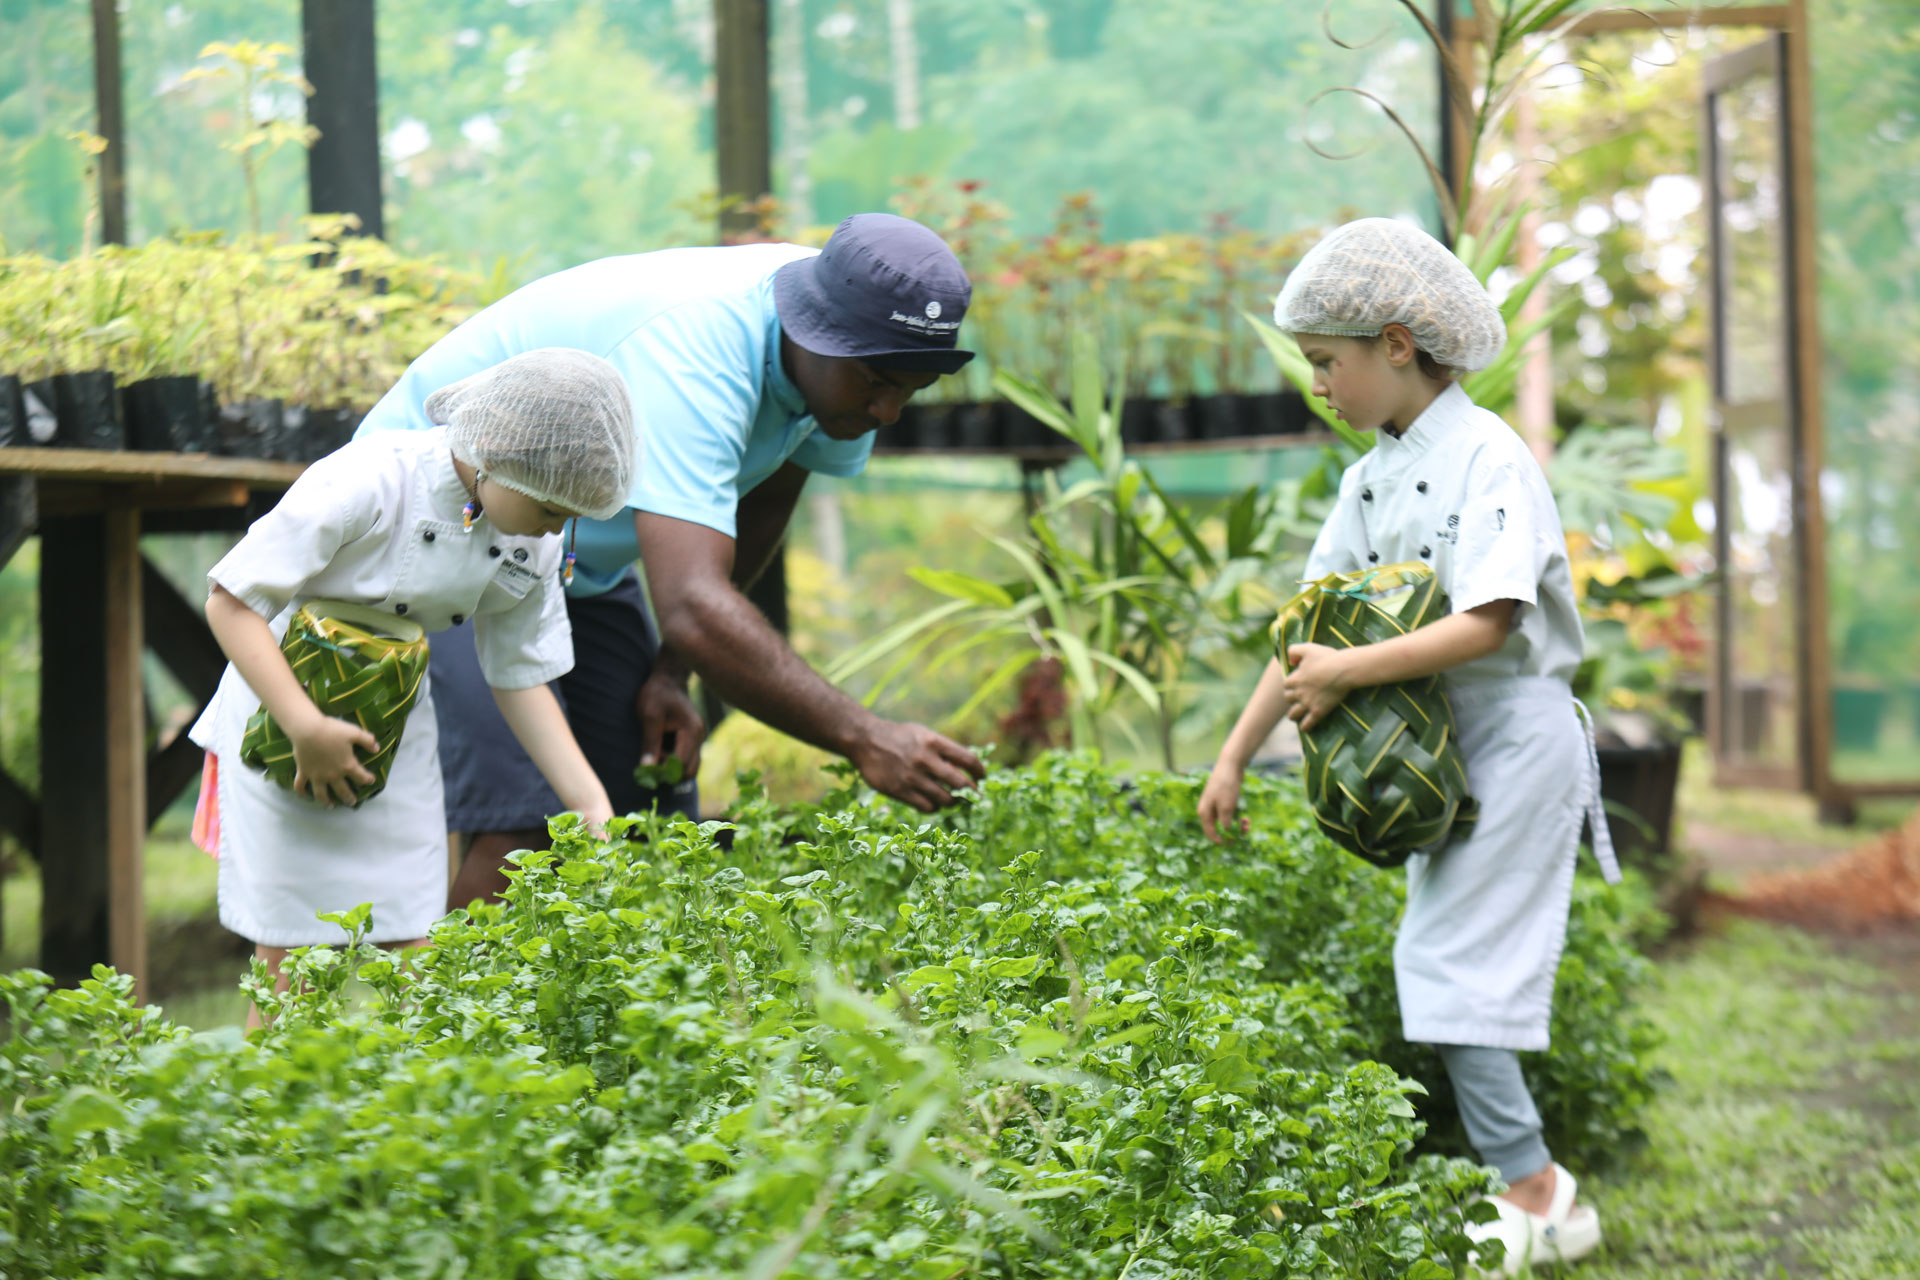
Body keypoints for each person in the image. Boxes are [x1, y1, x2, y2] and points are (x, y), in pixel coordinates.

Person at [1195, 218, 1620, 1274]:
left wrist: (1343, 673)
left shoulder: (1490, 458)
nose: (1320, 385)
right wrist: (1235, 754)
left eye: (1327, 362)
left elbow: (1489, 622)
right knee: (1446, 959)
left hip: (1514, 737)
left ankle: (1535, 1191)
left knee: (1447, 958)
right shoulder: (1371, 479)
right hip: (1438, 744)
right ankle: (1538, 1193)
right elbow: (1307, 628)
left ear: (1395, 344)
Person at [355, 213, 987, 909]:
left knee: (644, 806)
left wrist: (669, 674)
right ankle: (454, 1015)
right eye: (879, 383)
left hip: (561, 554)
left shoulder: (856, 355)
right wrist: (867, 737)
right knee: (529, 820)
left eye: (912, 388)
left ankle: (597, 1014)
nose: (888, 410)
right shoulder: (702, 347)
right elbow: (691, 606)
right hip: (439, 527)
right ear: (816, 331)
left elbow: (763, 500)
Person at [189, 349, 634, 1022]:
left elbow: (520, 676)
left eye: (570, 515)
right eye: (549, 505)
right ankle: (271, 1115)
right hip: (282, 712)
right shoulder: (369, 479)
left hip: (393, 724)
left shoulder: (533, 540)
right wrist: (305, 729)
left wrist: (591, 804)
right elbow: (232, 599)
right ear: (491, 451)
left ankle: (422, 1104)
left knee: (422, 942)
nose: (556, 527)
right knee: (291, 958)